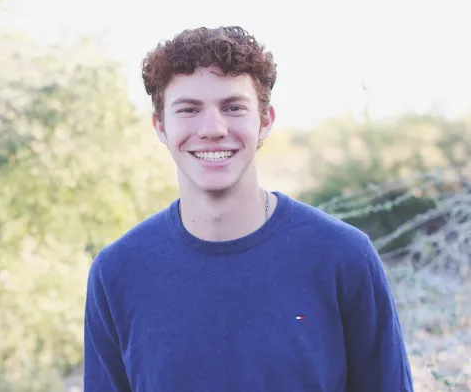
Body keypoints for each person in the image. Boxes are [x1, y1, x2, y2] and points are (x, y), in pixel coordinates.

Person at [83, 26, 414, 391]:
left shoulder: (343, 258)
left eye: (233, 107)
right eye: (189, 109)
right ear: (161, 126)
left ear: (265, 121)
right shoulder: (117, 272)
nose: (213, 128)